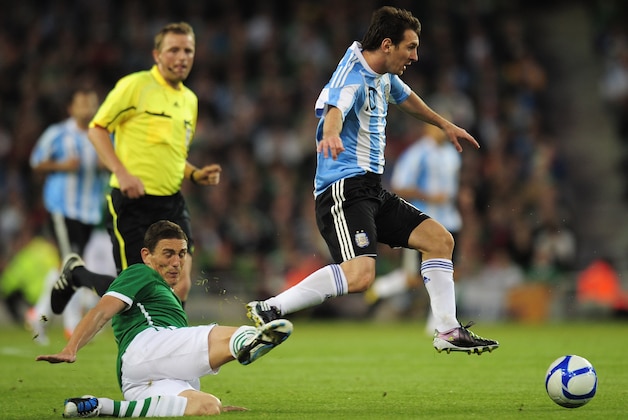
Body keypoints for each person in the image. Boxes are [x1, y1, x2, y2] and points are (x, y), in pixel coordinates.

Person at [246, 6, 498, 355]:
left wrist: (444, 124)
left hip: (370, 190)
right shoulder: (351, 75)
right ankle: (271, 307)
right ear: (387, 44)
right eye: (410, 47)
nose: (415, 55)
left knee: (439, 240)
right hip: (343, 190)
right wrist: (330, 134)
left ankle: (447, 331)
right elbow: (335, 108)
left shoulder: (381, 73)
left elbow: (405, 97)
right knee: (360, 276)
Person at [37, 220, 293, 418]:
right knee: (229, 336)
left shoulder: (165, 293)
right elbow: (102, 311)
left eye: (181, 254)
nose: (176, 262)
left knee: (208, 406)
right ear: (147, 255)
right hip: (147, 346)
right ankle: (246, 342)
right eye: (168, 254)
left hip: (140, 381)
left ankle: (100, 406)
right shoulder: (140, 273)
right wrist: (71, 348)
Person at [50, 22, 222, 315]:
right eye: (174, 50)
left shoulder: (189, 101)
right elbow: (97, 129)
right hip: (132, 202)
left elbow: (171, 154)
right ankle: (77, 275)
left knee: (180, 283)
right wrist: (123, 172)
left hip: (172, 201)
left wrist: (194, 173)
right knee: (135, 293)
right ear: (157, 54)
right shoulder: (136, 86)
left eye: (188, 50)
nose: (182, 57)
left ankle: (171, 349)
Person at [365, 119, 462, 332]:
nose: (444, 132)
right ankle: (381, 287)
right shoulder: (417, 154)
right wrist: (428, 197)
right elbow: (400, 186)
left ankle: (438, 325)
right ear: (428, 128)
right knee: (414, 278)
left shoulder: (452, 155)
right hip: (424, 223)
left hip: (451, 220)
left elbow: (451, 188)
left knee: (447, 273)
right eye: (440, 127)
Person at [28, 87, 107, 342]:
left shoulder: (101, 135)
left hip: (89, 210)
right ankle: (73, 325)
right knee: (72, 263)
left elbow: (113, 162)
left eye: (92, 104)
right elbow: (36, 162)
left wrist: (104, 164)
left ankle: (38, 315)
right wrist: (62, 166)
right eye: (82, 104)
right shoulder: (58, 133)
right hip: (61, 207)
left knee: (66, 265)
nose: (88, 109)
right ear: (71, 108)